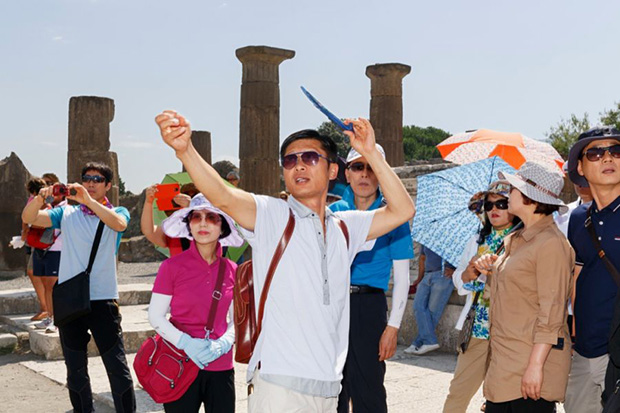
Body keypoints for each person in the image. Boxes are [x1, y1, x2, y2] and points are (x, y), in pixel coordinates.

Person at [155, 110, 415, 412]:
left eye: (311, 157)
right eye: (290, 160)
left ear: (333, 171)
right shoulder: (271, 215)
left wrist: (371, 153)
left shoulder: (347, 226)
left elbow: (402, 210)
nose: (299, 165)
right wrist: (185, 150)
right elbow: (223, 196)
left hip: (329, 386)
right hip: (278, 386)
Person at [21, 162, 136, 413]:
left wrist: (88, 201)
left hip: (103, 298)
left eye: (98, 179)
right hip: (70, 299)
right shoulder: (66, 213)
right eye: (87, 178)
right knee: (75, 369)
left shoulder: (117, 210)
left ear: (108, 185)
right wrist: (41, 198)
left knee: (116, 366)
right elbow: (29, 218)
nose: (91, 183)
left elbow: (119, 225)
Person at [474, 162, 574, 413]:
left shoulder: (551, 244)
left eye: (514, 189)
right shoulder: (518, 238)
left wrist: (535, 367)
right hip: (505, 365)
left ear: (530, 198)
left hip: (527, 370)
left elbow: (551, 313)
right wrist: (493, 268)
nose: (509, 194)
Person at [329, 144, 414, 413]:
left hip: (369, 306)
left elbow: (402, 277)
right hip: (334, 303)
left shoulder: (394, 216)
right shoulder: (333, 211)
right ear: (348, 173)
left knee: (369, 386)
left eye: (371, 167)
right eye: (357, 167)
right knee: (332, 385)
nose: (364, 174)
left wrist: (393, 327)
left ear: (380, 173)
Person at [147, 194, 243, 412]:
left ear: (223, 227)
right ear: (188, 225)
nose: (203, 223)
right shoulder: (171, 267)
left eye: (212, 217)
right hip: (179, 363)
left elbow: (236, 318)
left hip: (220, 365)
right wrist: (186, 343)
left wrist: (224, 343)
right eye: (196, 217)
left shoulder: (233, 270)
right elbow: (155, 316)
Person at [443, 180, 519, 413]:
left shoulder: (523, 240)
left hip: (511, 330)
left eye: (502, 203)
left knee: (501, 397)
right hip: (477, 326)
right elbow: (458, 280)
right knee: (459, 391)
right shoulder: (477, 240)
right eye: (488, 205)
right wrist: (468, 273)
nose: (494, 209)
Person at [564, 126, 620, 412]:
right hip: (584, 351)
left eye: (616, 150)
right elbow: (577, 276)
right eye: (596, 152)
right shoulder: (576, 220)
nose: (608, 157)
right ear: (581, 168)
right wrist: (574, 334)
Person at [405, 245, 455, 355]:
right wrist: (419, 278)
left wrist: (456, 271)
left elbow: (463, 254)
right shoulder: (428, 236)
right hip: (427, 275)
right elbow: (422, 258)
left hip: (443, 275)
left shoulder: (451, 235)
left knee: (433, 311)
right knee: (418, 307)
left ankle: (418, 343)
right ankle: (428, 341)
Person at [32, 172, 67, 333]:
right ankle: (49, 317)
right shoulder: (46, 206)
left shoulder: (65, 209)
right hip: (43, 249)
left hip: (56, 250)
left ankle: (57, 320)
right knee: (47, 286)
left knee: (53, 287)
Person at [22, 177, 49, 321]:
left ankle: (45, 308)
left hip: (42, 241)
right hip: (40, 241)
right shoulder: (44, 200)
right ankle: (45, 307)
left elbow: (28, 220)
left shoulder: (38, 201)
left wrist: (25, 232)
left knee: (35, 272)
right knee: (38, 273)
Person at [141, 183, 192, 256]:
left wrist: (192, 207)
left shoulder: (208, 229)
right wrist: (149, 202)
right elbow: (148, 231)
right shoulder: (172, 229)